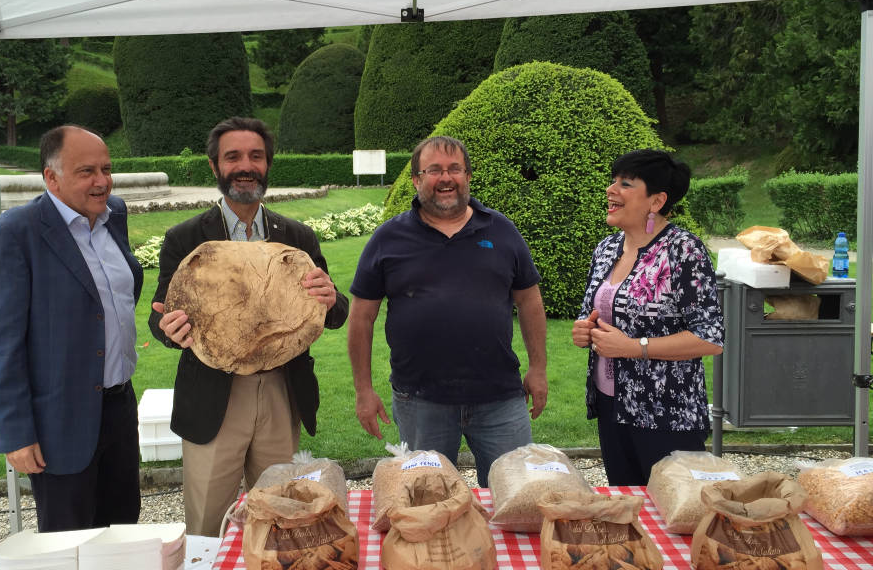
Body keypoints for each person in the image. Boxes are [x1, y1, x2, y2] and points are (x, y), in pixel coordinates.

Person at [149, 116, 348, 536]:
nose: (245, 166)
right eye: (233, 157)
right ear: (214, 166)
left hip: (280, 390)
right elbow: (160, 313)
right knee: (207, 523)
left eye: (256, 156)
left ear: (268, 164)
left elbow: (333, 310)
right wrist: (168, 327)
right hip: (212, 394)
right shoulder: (185, 238)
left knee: (279, 516)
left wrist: (331, 299)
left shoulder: (297, 236)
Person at [348, 135, 548, 488]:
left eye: (455, 169)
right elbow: (362, 317)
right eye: (434, 170)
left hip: (499, 397)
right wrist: (363, 389)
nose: (446, 178)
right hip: (420, 400)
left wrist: (538, 367)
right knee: (424, 499)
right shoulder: (388, 239)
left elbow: (530, 301)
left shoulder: (501, 231)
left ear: (468, 176)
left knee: (516, 496)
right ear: (416, 179)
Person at [0, 125, 144, 532]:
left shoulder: (112, 214)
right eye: (86, 171)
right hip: (60, 422)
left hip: (119, 408)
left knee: (123, 531)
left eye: (106, 168)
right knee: (68, 546)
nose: (101, 181)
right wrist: (15, 433)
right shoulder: (17, 233)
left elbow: (109, 299)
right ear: (51, 177)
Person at [571, 149, 724, 486]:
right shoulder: (607, 249)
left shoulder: (683, 250)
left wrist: (632, 347)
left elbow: (710, 338)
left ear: (656, 201)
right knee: (628, 509)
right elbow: (595, 312)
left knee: (675, 514)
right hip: (611, 404)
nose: (611, 189)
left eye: (626, 184)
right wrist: (585, 330)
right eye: (613, 181)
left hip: (666, 413)